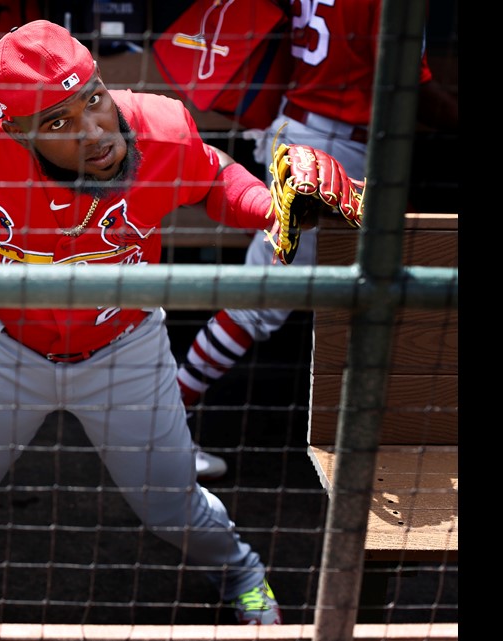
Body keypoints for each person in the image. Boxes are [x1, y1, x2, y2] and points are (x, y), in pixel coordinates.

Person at [0, 19, 360, 625]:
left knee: (171, 504)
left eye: (94, 100)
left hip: (124, 349)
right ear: (16, 129)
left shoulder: (158, 127)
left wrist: (274, 211)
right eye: (58, 122)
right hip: (2, 347)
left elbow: (213, 180)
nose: (95, 131)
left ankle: (241, 570)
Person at [178, 0, 458, 476]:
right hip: (329, 150)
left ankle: (378, 430)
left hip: (298, 126)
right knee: (263, 298)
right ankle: (167, 420)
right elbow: (409, 83)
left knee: (353, 288)